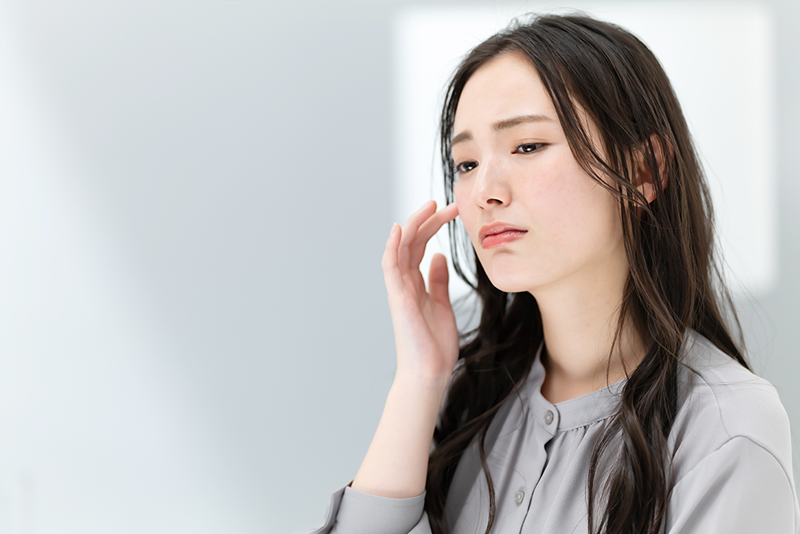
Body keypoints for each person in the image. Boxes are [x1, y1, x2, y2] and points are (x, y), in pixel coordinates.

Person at [303, 13, 800, 534]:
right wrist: (419, 379)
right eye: (466, 163)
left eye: (527, 146)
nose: (484, 192)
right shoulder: (472, 401)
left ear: (644, 170)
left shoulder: (726, 430)